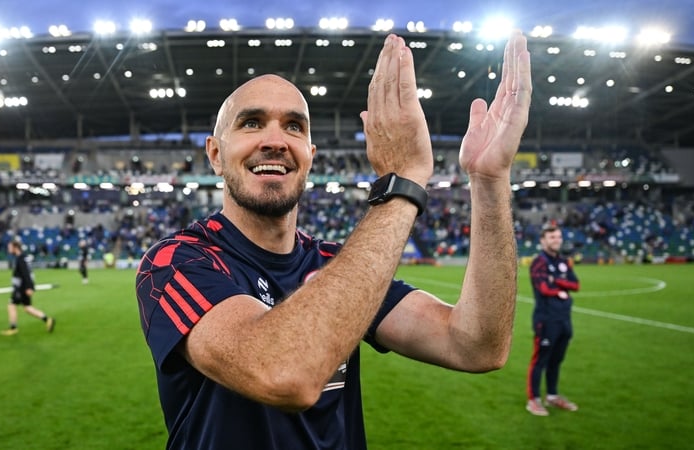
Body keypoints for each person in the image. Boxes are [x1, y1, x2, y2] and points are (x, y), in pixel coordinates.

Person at [136, 31, 531, 449]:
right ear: (215, 154)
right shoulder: (174, 262)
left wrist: (489, 181)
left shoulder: (335, 264)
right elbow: (284, 373)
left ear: (310, 154)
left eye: (294, 126)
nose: (275, 141)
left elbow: (476, 345)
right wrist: (402, 183)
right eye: (252, 122)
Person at [525, 222, 580, 416]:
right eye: (552, 237)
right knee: (540, 359)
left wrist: (555, 281)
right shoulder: (539, 262)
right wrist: (559, 288)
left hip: (564, 318)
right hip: (546, 319)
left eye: (558, 237)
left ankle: (552, 395)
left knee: (556, 360)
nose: (556, 240)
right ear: (542, 241)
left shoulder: (563, 261)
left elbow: (576, 285)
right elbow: (543, 289)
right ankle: (533, 400)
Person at [2, 238, 55, 336]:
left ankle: (13, 328)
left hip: (21, 288)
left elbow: (26, 274)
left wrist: (29, 287)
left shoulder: (21, 259)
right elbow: (29, 273)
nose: (8, 249)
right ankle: (48, 319)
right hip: (24, 287)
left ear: (15, 247)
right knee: (27, 308)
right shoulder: (24, 257)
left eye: (10, 247)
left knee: (11, 305)